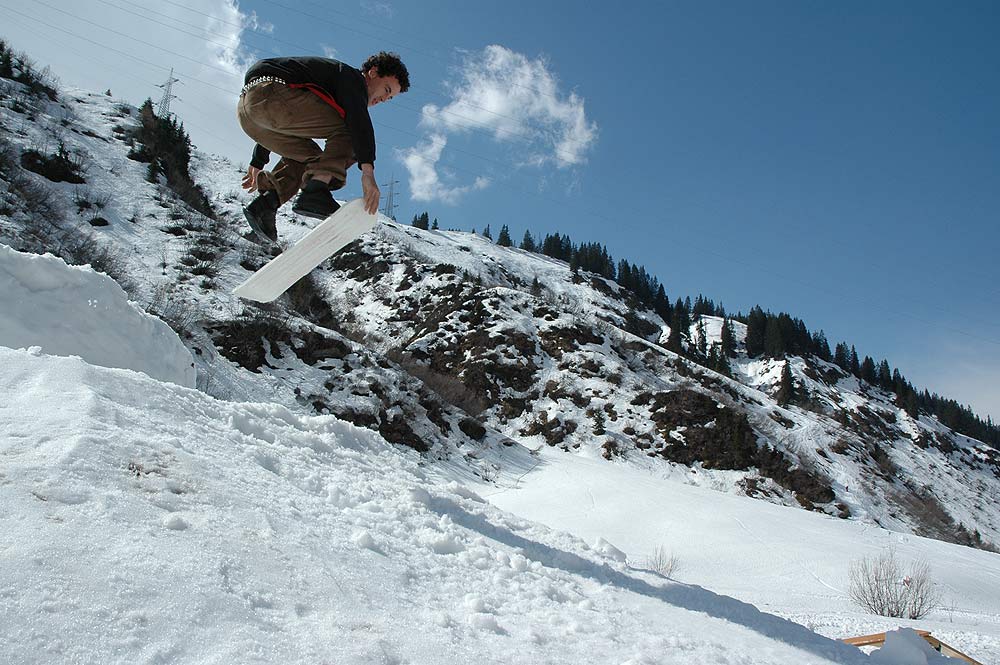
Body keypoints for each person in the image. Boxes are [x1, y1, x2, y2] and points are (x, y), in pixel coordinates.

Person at [237, 52, 410, 240]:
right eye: (386, 90)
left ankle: (266, 204)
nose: (384, 99)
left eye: (389, 98)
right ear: (373, 72)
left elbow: (274, 115)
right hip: (273, 94)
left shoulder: (334, 89)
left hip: (250, 115)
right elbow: (359, 123)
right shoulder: (352, 78)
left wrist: (258, 160)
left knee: (314, 160)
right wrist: (368, 173)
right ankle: (316, 190)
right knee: (352, 128)